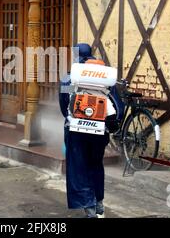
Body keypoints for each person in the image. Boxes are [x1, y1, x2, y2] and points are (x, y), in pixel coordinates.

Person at [59, 43, 110, 218]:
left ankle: (89, 207)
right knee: (96, 164)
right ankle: (99, 203)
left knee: (79, 167)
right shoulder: (104, 76)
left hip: (76, 132)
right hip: (100, 132)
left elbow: (64, 105)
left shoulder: (70, 77)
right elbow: (117, 104)